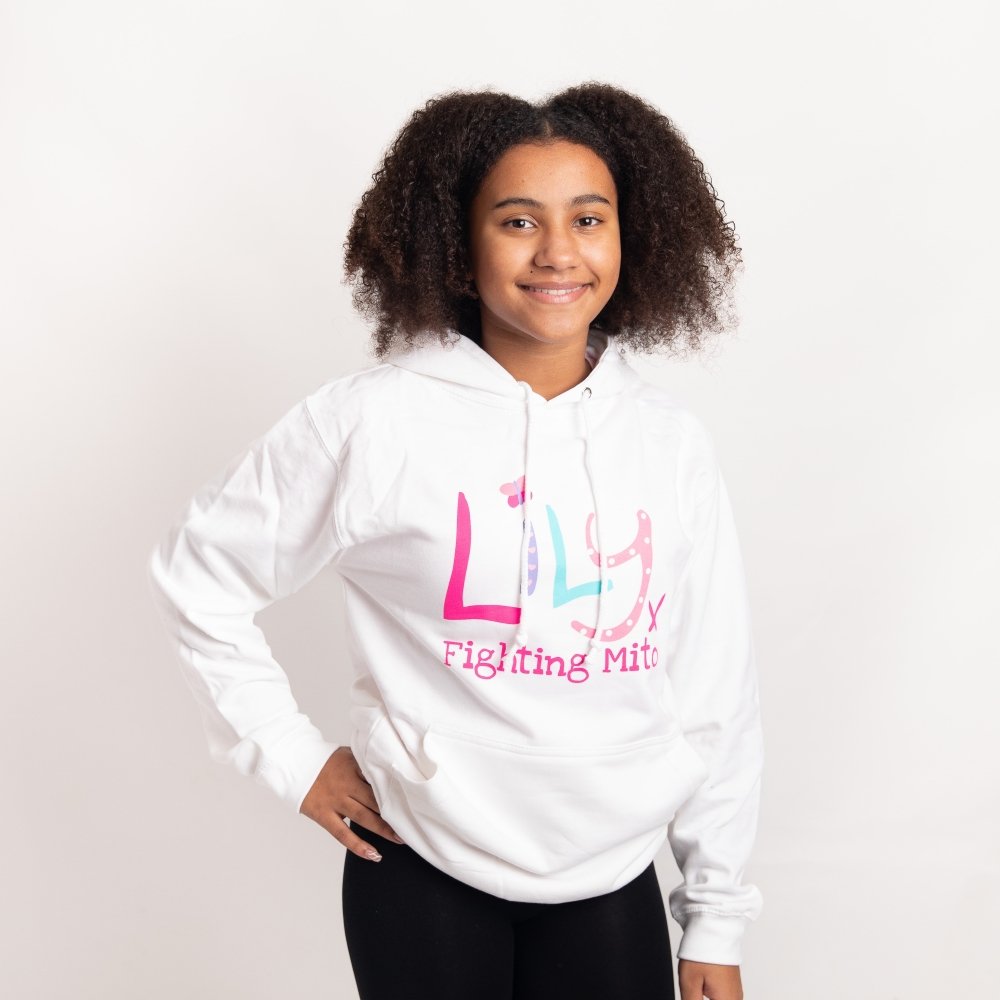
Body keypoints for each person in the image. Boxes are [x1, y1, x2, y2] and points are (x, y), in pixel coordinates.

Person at [149, 81, 764, 1000]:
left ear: (631, 238)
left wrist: (714, 913)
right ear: (455, 241)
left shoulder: (668, 443)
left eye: (589, 219)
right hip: (424, 868)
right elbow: (199, 576)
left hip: (610, 871)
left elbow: (715, 690)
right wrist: (292, 755)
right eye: (518, 222)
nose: (560, 252)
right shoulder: (372, 423)